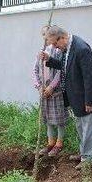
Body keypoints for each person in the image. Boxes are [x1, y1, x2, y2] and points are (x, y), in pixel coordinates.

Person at [39, 25, 92, 170]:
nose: (55, 47)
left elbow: (89, 77)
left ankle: (89, 158)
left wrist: (89, 100)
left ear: (62, 37)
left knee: (89, 129)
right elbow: (65, 67)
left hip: (86, 97)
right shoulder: (67, 48)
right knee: (81, 127)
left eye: (55, 44)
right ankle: (83, 154)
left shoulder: (81, 49)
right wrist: (49, 59)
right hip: (76, 96)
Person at [34, 26, 68, 157]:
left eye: (47, 35)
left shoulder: (58, 51)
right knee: (48, 118)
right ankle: (50, 142)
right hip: (44, 91)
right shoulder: (41, 53)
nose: (46, 37)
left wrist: (51, 87)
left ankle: (59, 144)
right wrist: (39, 86)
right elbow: (35, 70)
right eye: (43, 35)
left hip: (55, 91)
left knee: (59, 119)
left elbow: (60, 71)